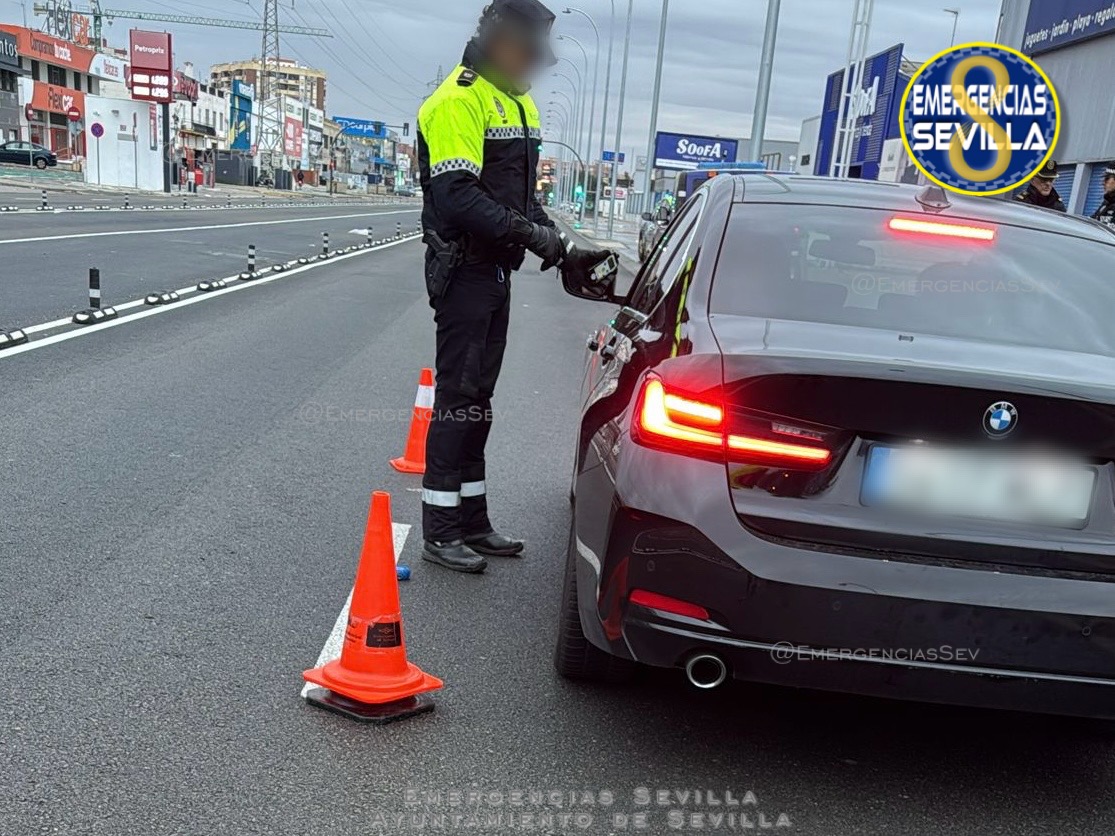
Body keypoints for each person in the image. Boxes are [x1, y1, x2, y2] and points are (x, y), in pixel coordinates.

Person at [416, 0, 613, 574]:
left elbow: (521, 199)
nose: (532, 67)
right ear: (500, 42)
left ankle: (473, 522)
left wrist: (561, 244)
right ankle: (441, 529)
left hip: (496, 271)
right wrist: (538, 239)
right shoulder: (458, 98)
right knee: (458, 399)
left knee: (479, 399)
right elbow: (458, 196)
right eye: (525, 53)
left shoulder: (516, 101)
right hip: (463, 271)